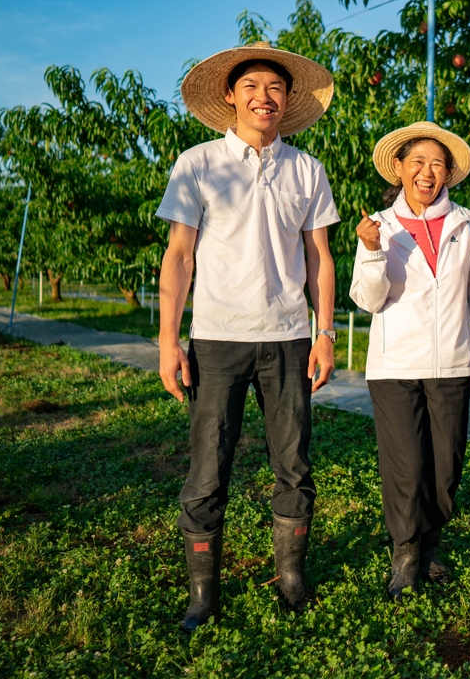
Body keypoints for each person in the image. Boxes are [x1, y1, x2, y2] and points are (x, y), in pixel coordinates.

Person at [155, 41, 341, 631]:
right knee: (209, 465)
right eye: (253, 87)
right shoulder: (198, 164)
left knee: (294, 462)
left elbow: (319, 257)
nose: (265, 98)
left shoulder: (306, 169)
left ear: (287, 101)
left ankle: (290, 577)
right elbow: (179, 255)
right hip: (217, 338)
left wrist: (326, 332)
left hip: (288, 337)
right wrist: (167, 340)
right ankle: (203, 596)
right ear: (231, 97)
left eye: (276, 88)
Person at [349, 121, 470, 599]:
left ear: (449, 173)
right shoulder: (378, 226)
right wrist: (371, 252)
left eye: (437, 164)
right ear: (399, 167)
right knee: (406, 466)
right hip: (395, 366)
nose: (427, 172)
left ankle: (431, 544)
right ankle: (406, 553)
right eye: (417, 162)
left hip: (453, 363)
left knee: (445, 466)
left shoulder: (467, 223)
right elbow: (368, 300)